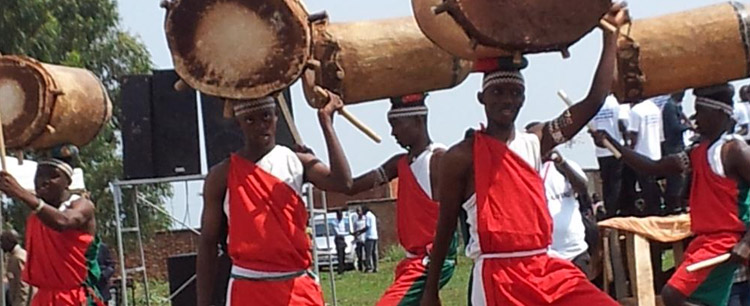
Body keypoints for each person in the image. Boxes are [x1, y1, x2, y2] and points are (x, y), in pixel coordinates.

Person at [420, 4, 626, 305]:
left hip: (545, 269)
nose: (508, 100)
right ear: (482, 98)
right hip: (498, 276)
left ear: (524, 98)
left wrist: (610, 37)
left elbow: (593, 101)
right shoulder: (461, 156)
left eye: (515, 93)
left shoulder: (537, 141)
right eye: (498, 92)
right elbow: (446, 225)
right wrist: (430, 289)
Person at [591, 83, 750, 306]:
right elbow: (653, 167)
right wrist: (612, 144)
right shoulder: (697, 152)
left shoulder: (735, 150)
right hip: (704, 240)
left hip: (724, 241)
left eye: (701, 111)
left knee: (672, 295)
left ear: (719, 113)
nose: (695, 118)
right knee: (701, 299)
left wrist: (746, 243)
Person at [197, 92, 353, 306]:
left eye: (266, 116)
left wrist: (326, 122)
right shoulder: (221, 175)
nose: (261, 125)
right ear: (239, 123)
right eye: (250, 120)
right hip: (248, 286)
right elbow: (208, 241)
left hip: (297, 286)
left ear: (277, 116)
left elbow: (343, 182)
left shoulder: (297, 162)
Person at [342, 93, 456, 305]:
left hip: (431, 261)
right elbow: (350, 186)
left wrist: (431, 283)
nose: (392, 132)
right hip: (413, 261)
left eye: (396, 124)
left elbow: (450, 220)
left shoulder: (438, 159)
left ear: (418, 121)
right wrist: (327, 124)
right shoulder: (399, 163)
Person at [0, 145, 103, 306]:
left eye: (53, 176)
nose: (43, 181)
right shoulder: (36, 215)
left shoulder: (82, 205)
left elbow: (63, 222)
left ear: (67, 182)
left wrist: (21, 193)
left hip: (74, 298)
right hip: (43, 299)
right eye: (39, 175)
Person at [539, 150, 591, 276]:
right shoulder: (528, 168)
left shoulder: (565, 166)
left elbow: (582, 188)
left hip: (576, 252)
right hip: (547, 255)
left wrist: (562, 163)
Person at [622, 96, 663, 216]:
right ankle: (658, 207)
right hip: (655, 152)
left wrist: (629, 150)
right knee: (652, 182)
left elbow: (634, 134)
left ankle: (652, 210)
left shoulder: (636, 111)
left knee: (645, 185)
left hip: (641, 153)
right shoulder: (654, 108)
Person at [592, 95, 628, 218]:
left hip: (601, 150)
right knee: (616, 182)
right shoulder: (617, 102)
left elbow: (592, 129)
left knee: (606, 182)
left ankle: (609, 210)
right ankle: (614, 211)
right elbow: (622, 124)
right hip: (615, 148)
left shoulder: (596, 103)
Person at [662, 91, 690, 214]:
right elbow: (674, 127)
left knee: (679, 178)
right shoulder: (670, 107)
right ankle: (673, 206)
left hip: (678, 144)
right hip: (673, 146)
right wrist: (688, 126)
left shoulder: (676, 106)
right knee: (676, 178)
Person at [1, 230, 32, 306]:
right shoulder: (16, 256)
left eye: (2, 241)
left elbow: (23, 285)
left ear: (9, 241)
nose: (1, 245)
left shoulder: (18, 258)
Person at [361, 207, 379, 273]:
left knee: (368, 253)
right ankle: (376, 267)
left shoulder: (367, 216)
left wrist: (359, 232)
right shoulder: (372, 215)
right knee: (374, 253)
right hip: (375, 236)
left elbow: (367, 226)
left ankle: (369, 267)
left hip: (369, 236)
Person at [333, 210, 348, 275]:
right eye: (339, 215)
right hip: (338, 239)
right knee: (340, 255)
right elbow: (338, 233)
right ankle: (340, 269)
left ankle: (343, 268)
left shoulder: (343, 221)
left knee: (343, 254)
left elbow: (344, 229)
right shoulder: (334, 222)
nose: (341, 217)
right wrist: (347, 233)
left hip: (343, 239)